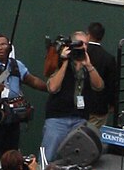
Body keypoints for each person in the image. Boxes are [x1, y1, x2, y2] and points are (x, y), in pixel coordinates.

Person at [0, 35, 46, 170]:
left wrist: (49, 88)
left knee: (10, 157)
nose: (1, 47)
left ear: (9, 47)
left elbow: (31, 80)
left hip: (11, 119)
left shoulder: (16, 65)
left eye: (4, 44)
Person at [41, 30, 104, 163]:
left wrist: (88, 65)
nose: (84, 47)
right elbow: (52, 87)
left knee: (76, 157)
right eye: (80, 44)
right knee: (49, 155)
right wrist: (64, 62)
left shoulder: (89, 63)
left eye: (86, 44)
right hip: (57, 118)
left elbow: (99, 86)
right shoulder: (59, 60)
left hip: (80, 118)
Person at [85, 22, 116, 129]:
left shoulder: (79, 55)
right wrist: (112, 104)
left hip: (78, 107)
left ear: (88, 35)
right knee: (93, 140)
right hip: (99, 108)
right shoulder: (109, 58)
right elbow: (112, 84)